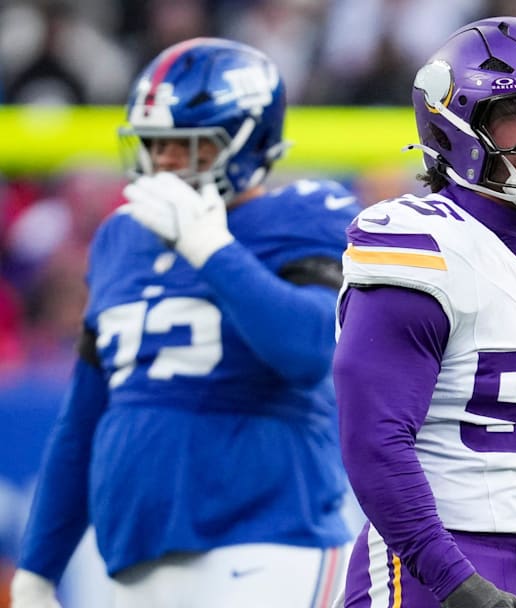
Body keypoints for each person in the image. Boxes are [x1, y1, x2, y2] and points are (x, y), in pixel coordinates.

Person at [11, 37, 358, 607]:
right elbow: (84, 419)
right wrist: (38, 568)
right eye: (155, 146)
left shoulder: (301, 216)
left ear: (252, 142)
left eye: (187, 147)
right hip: (133, 557)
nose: (165, 163)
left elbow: (311, 352)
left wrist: (211, 248)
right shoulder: (123, 237)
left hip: (269, 541)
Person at [332, 16, 516, 608]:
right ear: (458, 127)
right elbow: (375, 440)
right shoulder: (419, 245)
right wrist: (456, 584)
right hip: (422, 567)